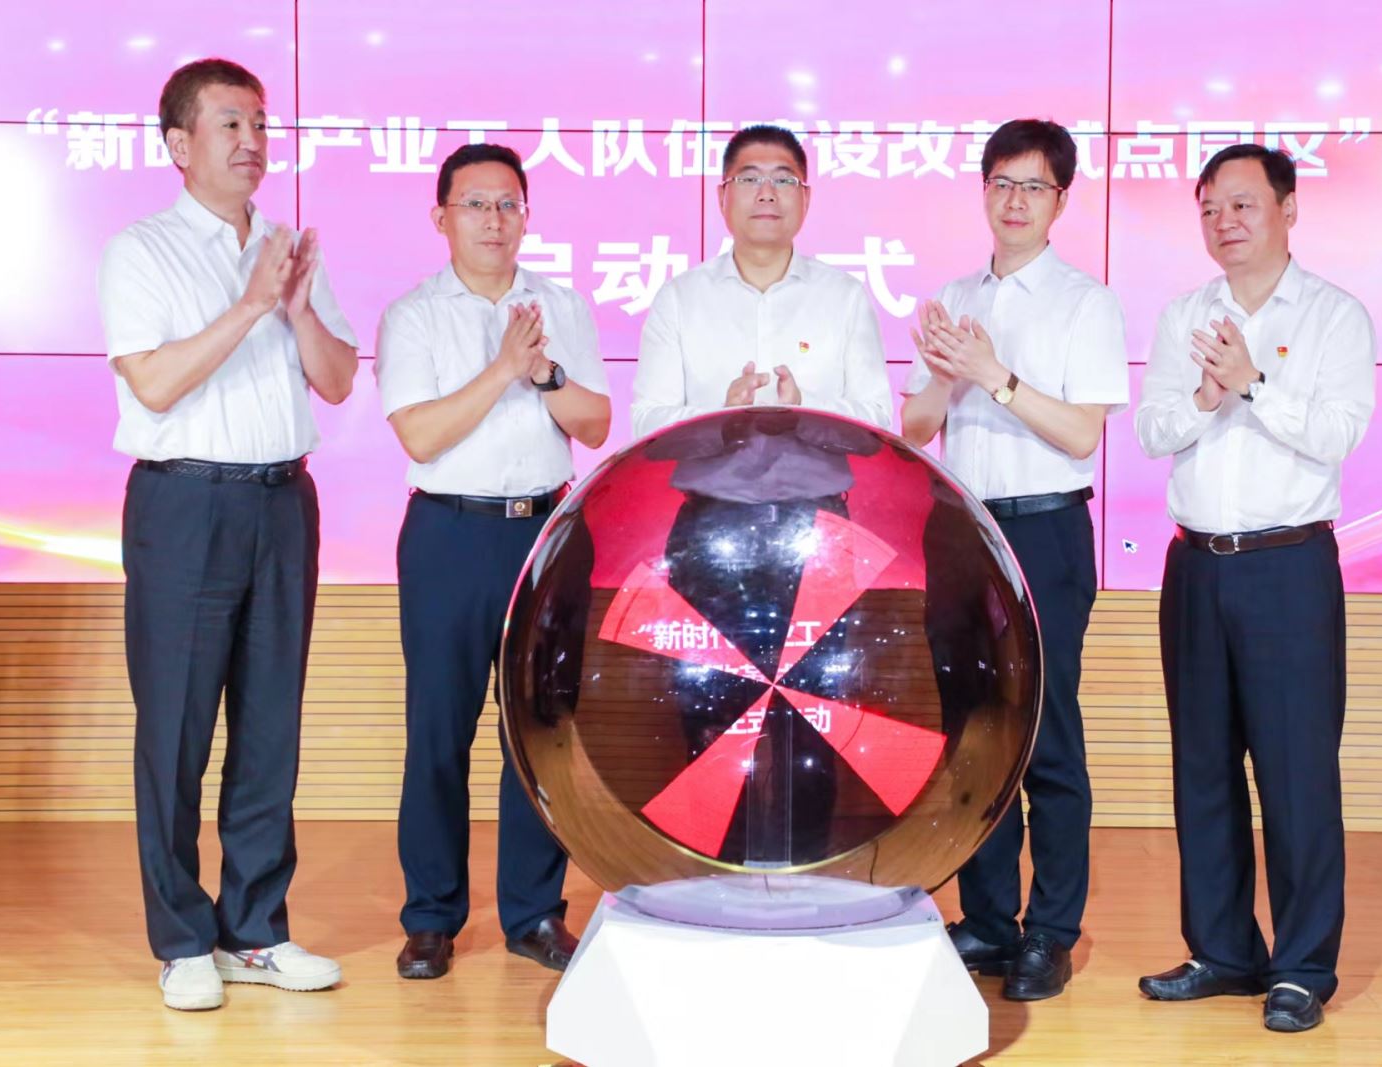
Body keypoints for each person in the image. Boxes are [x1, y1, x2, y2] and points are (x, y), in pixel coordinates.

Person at [97, 58, 358, 1011]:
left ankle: (254, 927)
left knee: (270, 726)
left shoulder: (284, 251)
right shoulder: (143, 250)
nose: (253, 142)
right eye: (230, 124)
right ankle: (181, 939)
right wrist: (250, 304)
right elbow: (155, 382)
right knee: (175, 728)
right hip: (185, 505)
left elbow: (337, 380)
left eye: (260, 124)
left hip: (283, 503)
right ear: (179, 143)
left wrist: (294, 305)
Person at [1134, 142, 1376, 1033]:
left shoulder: (1334, 316)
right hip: (1195, 565)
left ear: (1287, 208)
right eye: (1209, 208)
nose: (1224, 222)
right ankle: (1223, 949)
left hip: (1288, 567)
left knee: (1296, 772)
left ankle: (1303, 966)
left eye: (1242, 204)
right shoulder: (1183, 315)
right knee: (1202, 766)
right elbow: (1153, 431)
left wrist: (1253, 384)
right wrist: (1205, 397)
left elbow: (1338, 433)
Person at [901, 118, 1129, 1001]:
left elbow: (1080, 434)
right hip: (963, 533)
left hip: (1044, 531)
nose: (1015, 201)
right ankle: (989, 920)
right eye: (1001, 183)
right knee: (974, 737)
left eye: (1033, 186)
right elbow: (917, 427)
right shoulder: (956, 295)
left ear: (1060, 200)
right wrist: (945, 374)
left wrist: (995, 375)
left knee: (1046, 737)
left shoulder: (1085, 302)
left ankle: (1051, 931)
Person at [376, 143, 611, 980]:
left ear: (526, 216)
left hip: (544, 534)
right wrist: (502, 368)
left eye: (508, 203)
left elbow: (594, 424)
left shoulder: (560, 305)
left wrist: (542, 372)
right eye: (475, 204)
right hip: (450, 535)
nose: (493, 220)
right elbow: (420, 434)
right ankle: (431, 916)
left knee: (538, 732)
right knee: (438, 731)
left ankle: (534, 911)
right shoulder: (414, 314)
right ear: (440, 217)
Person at [632, 124, 892, 436]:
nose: (766, 194)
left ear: (806, 198)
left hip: (815, 472)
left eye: (783, 180)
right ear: (722, 196)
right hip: (711, 471)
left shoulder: (845, 297)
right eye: (749, 179)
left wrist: (805, 411)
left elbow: (878, 419)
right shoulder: (679, 298)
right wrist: (720, 419)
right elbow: (645, 422)